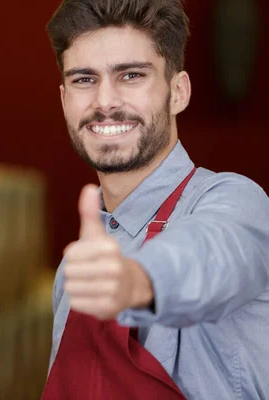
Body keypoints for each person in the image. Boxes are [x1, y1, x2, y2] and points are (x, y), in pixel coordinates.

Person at [41, 0, 269, 399]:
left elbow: (210, 252)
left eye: (130, 75)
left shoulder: (236, 202)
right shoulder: (73, 273)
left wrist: (136, 281)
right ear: (63, 101)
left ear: (178, 91)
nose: (105, 101)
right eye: (83, 79)